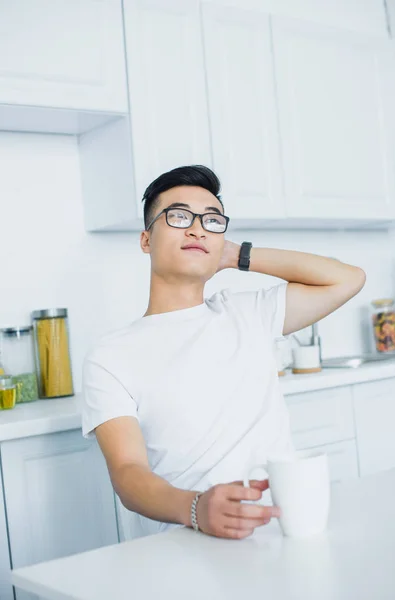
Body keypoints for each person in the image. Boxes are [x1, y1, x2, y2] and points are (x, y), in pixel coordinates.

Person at [82, 165, 365, 540]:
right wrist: (196, 508)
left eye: (212, 221)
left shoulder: (247, 313)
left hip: (281, 528)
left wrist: (236, 255)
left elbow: (348, 278)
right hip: (188, 537)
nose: (197, 228)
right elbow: (128, 472)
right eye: (179, 216)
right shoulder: (110, 356)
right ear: (146, 240)